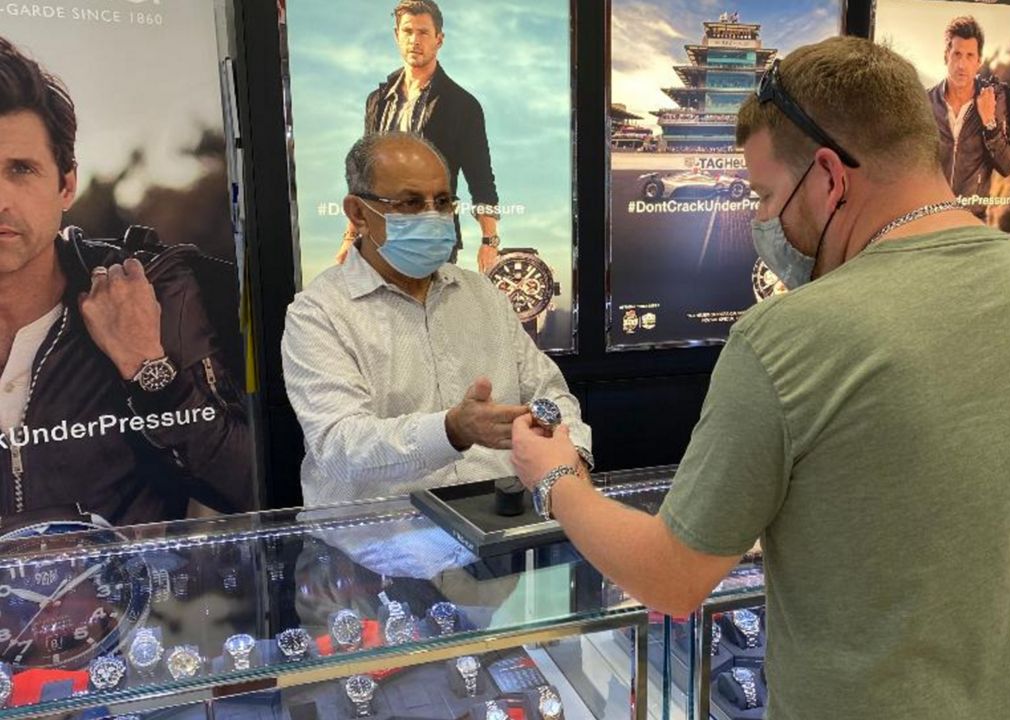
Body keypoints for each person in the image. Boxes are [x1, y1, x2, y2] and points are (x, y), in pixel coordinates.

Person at [512, 36, 1010, 719]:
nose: (763, 222)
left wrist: (557, 478)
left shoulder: (787, 338)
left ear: (831, 177)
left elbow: (671, 578)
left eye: (767, 195)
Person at [0, 37, 254, 525]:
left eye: (21, 169)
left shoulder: (149, 292)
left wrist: (148, 368)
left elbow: (248, 485)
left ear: (66, 184)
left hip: (137, 598)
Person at [282, 131, 590, 506]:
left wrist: (570, 460)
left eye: (442, 201)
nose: (432, 215)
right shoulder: (318, 314)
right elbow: (340, 446)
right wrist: (450, 430)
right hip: (382, 545)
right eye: (411, 203)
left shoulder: (482, 294)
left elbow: (550, 392)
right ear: (358, 213)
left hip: (503, 524)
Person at [347, 0, 500, 273]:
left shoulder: (462, 105)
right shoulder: (377, 101)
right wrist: (350, 237)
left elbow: (481, 179)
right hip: (377, 236)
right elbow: (363, 176)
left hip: (431, 237)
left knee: (429, 315)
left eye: (423, 32)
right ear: (397, 36)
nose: (414, 40)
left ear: (439, 40)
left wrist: (489, 240)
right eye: (407, 31)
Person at [928, 16, 1010, 219]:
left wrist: (990, 123)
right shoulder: (926, 103)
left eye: (970, 56)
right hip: (929, 218)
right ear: (946, 57)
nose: (962, 64)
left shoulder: (994, 101)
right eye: (957, 54)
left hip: (972, 220)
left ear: (979, 62)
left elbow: (1007, 167)